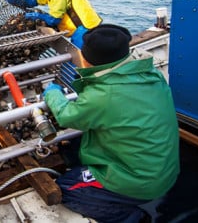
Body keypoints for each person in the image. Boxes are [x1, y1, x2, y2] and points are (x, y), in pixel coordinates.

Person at [42, 24, 180, 223]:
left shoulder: (103, 96)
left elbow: (65, 115)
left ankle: (132, 217)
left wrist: (53, 93)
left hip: (140, 182)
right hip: (164, 170)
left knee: (65, 189)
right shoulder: (150, 73)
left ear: (88, 61)